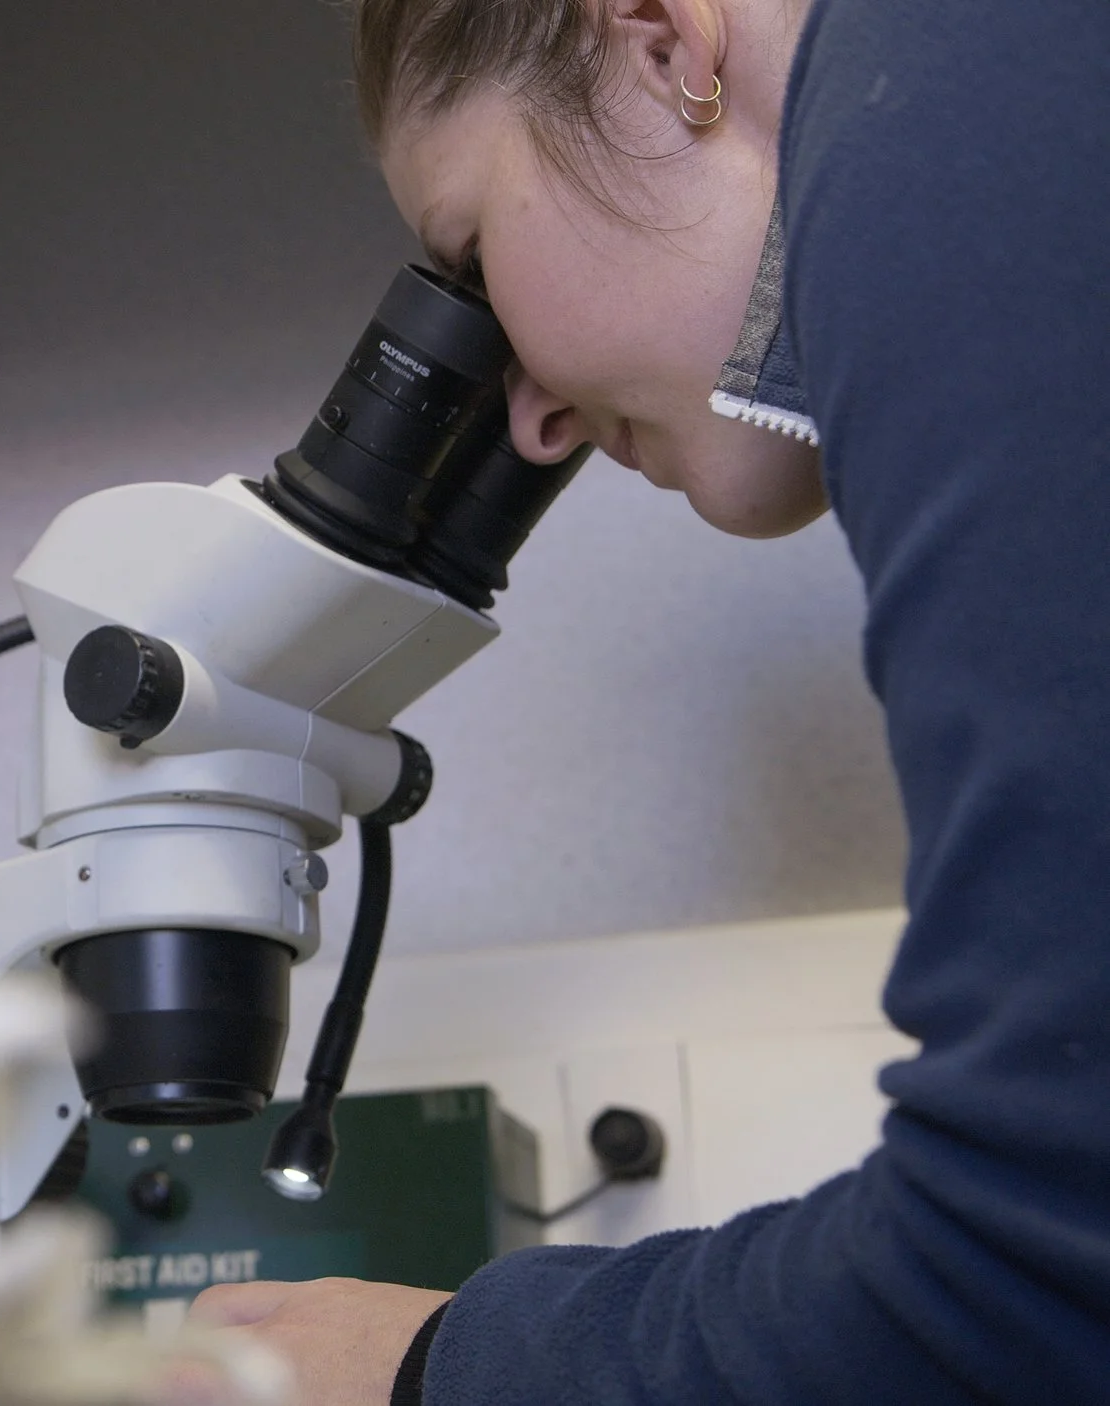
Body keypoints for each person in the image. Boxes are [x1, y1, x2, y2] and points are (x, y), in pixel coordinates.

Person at [185, 0, 1110, 1402]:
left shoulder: (926, 109)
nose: (532, 417)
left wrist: (429, 1364)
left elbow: (1030, 1260)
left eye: (474, 255)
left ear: (660, 44)